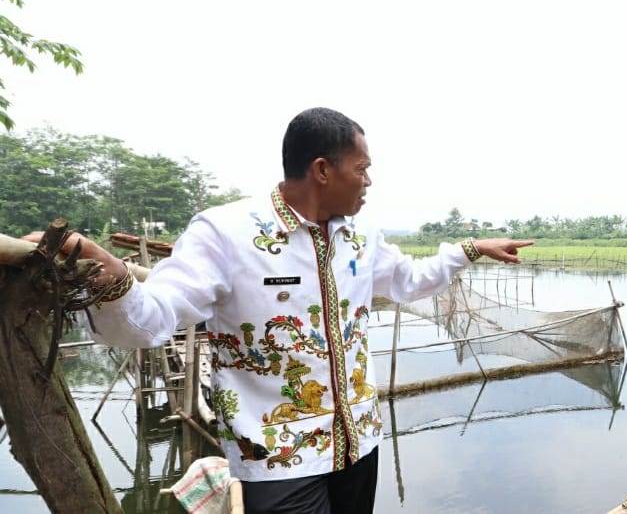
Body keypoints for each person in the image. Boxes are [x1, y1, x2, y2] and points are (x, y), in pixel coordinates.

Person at [28, 107, 533, 514]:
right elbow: (153, 317)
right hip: (276, 457)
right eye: (362, 169)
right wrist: (113, 278)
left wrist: (469, 249)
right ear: (322, 169)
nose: (368, 182)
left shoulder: (360, 236)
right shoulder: (225, 233)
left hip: (359, 443)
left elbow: (408, 280)